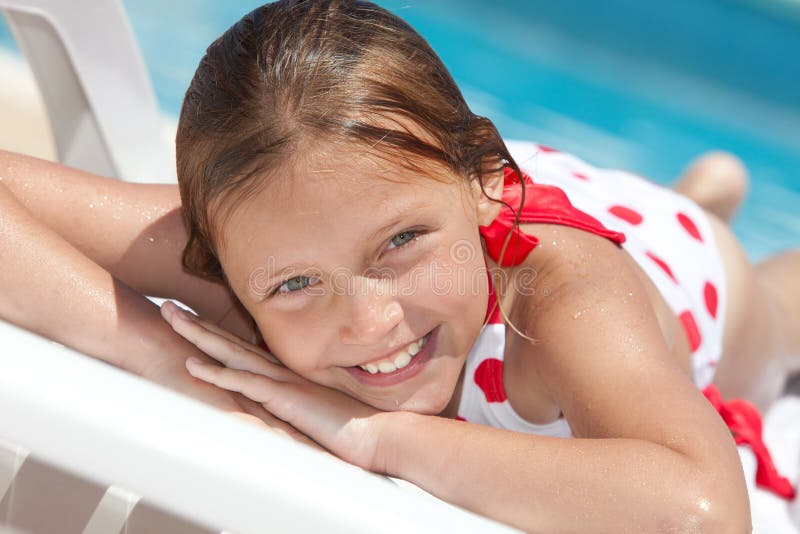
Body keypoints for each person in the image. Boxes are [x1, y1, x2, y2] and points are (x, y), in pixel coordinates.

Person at [0, 0, 797, 531]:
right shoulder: (264, 234)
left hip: (677, 267)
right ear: (213, 267)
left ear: (487, 178)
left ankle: (701, 204)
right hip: (433, 187)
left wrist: (380, 439)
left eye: (399, 247)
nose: (369, 321)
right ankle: (694, 186)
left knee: (778, 306)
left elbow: (700, 511)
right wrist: (164, 360)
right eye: (296, 286)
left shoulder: (560, 302)